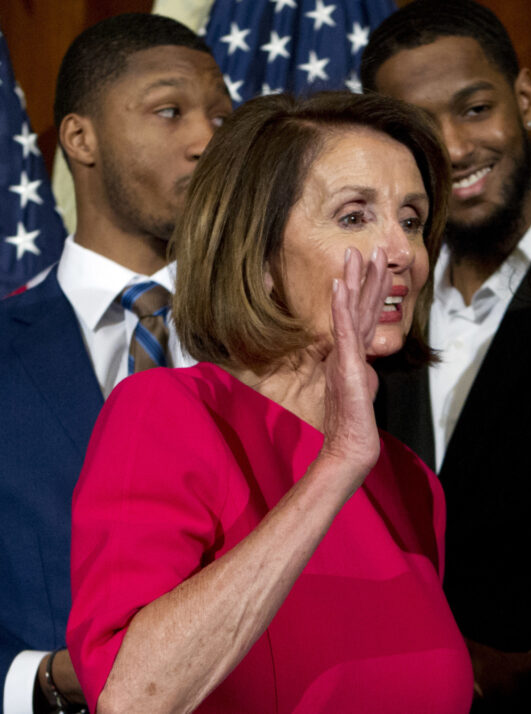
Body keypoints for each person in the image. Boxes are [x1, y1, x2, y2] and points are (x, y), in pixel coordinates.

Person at [64, 91, 472, 713]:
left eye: (412, 220)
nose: (402, 253)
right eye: (355, 216)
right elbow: (133, 697)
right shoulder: (167, 414)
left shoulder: (413, 484)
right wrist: (336, 467)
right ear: (258, 256)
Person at [359, 0, 531, 704]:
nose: (453, 148)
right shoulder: (367, 308)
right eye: (420, 128)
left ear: (523, 98)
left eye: (474, 108)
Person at [0, 14, 231, 713]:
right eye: (171, 112)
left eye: (222, 117)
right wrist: (45, 678)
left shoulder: (276, 348)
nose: (207, 141)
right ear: (81, 137)